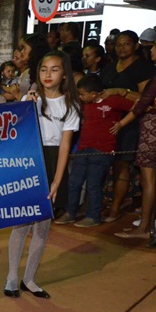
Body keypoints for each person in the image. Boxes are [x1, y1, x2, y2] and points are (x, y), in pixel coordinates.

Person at [5, 51, 80, 299]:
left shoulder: (71, 104)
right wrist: (27, 105)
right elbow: (16, 132)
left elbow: (65, 145)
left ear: (64, 74)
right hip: (29, 161)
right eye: (44, 69)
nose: (48, 74)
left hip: (53, 161)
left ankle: (29, 279)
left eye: (54, 69)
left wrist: (57, 179)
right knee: (21, 224)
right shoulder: (30, 99)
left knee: (42, 227)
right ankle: (12, 277)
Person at [55, 74, 134, 228]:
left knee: (93, 184)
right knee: (74, 182)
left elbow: (137, 108)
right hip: (83, 148)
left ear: (94, 94)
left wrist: (121, 124)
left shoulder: (113, 100)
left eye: (82, 94)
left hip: (103, 150)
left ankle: (93, 216)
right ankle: (70, 212)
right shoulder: (85, 103)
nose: (80, 97)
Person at [99, 30, 156, 222]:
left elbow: (145, 99)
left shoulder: (143, 68)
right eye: (118, 44)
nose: (121, 48)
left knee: (121, 164)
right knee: (107, 165)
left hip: (130, 123)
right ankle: (108, 203)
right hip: (108, 121)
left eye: (126, 44)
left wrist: (121, 92)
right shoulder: (110, 67)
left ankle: (116, 208)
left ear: (136, 46)